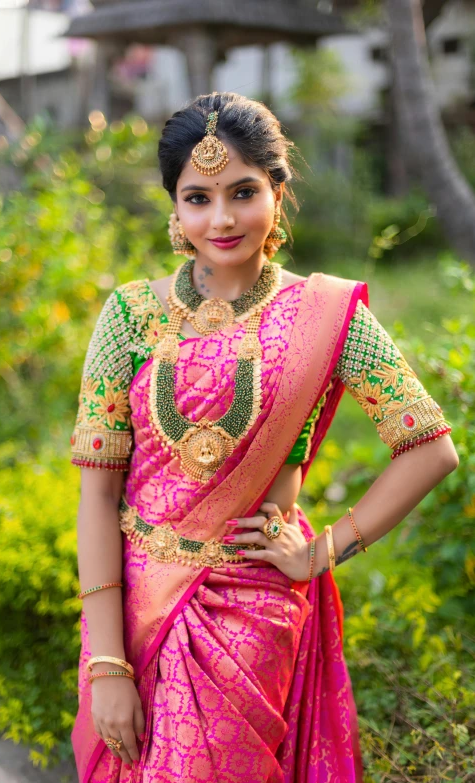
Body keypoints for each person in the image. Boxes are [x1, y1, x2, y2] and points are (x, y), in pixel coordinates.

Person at [69, 92, 458, 783]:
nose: (221, 218)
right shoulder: (128, 314)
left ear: (279, 191)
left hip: (253, 614)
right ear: (175, 208)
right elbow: (96, 495)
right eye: (198, 197)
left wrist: (324, 550)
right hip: (134, 613)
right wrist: (106, 664)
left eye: (243, 191)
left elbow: (430, 445)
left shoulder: (327, 316)